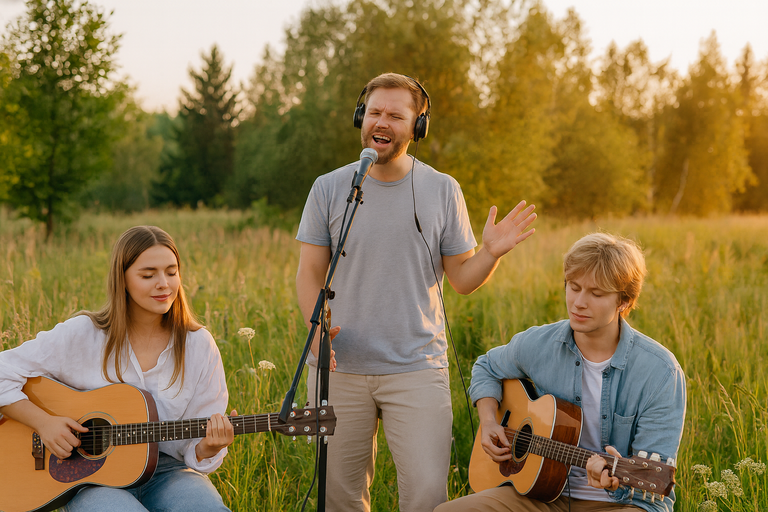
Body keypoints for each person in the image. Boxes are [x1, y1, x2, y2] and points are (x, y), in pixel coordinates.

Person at [295, 72, 537, 512]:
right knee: (338, 499)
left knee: (427, 496)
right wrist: (316, 327)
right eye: (374, 112)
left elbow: (462, 279)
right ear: (360, 118)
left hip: (417, 367)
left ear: (417, 126)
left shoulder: (442, 190)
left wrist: (491, 252)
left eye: (395, 115)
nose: (381, 122)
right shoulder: (329, 188)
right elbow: (310, 271)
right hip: (339, 368)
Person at [435, 232, 687, 512]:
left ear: (624, 302)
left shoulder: (660, 371)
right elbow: (487, 367)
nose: (579, 302)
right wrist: (489, 422)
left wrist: (612, 479)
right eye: (574, 287)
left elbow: (653, 476)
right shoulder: (540, 343)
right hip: (541, 496)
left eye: (596, 293)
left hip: (623, 503)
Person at [0, 226, 235, 512]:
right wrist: (43, 423)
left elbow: (195, 448)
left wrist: (209, 447)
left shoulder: (198, 345)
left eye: (172, 272)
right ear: (121, 279)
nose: (164, 284)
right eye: (148, 275)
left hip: (167, 471)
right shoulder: (84, 334)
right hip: (90, 479)